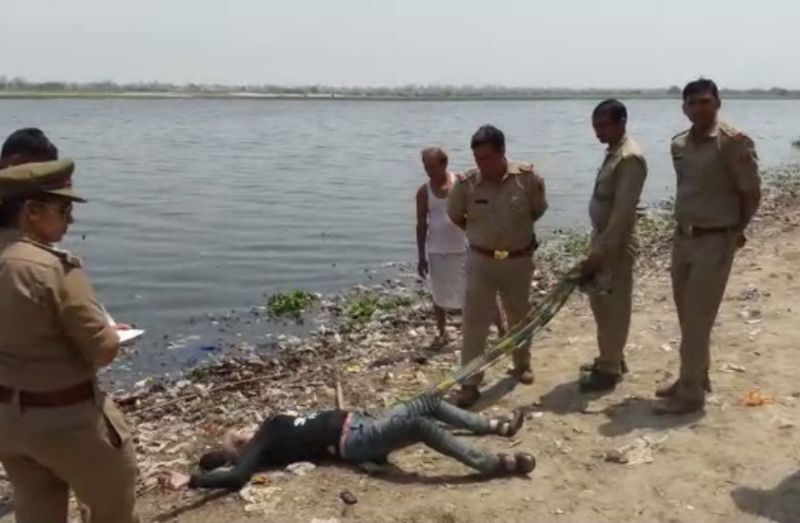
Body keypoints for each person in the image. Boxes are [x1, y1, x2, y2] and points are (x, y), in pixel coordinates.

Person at [0, 159, 139, 523]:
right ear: (32, 211)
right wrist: (111, 333)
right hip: (68, 419)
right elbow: (102, 350)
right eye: (63, 210)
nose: (70, 220)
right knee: (113, 507)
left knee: (35, 508)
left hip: (8, 417)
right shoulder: (52, 267)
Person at [163, 393, 535, 491]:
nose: (239, 434)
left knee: (429, 402)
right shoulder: (258, 448)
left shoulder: (269, 427)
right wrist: (191, 480)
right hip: (355, 441)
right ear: (234, 450)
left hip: (363, 422)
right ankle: (491, 464)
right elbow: (236, 477)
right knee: (422, 424)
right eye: (233, 441)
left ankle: (494, 426)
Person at [655, 78, 761, 414]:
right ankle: (696, 376)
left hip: (716, 239)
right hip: (684, 237)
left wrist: (736, 230)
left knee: (699, 316)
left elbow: (751, 193)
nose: (699, 108)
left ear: (717, 103)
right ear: (683, 108)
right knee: (687, 313)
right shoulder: (680, 144)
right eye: (693, 103)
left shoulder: (733, 142)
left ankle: (690, 394)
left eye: (705, 102)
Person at [447, 125, 548, 407]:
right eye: (477, 158)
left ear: (502, 152)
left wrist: (513, 235)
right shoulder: (466, 184)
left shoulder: (527, 179)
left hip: (517, 260)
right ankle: (469, 383)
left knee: (519, 316)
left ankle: (522, 364)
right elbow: (455, 215)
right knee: (474, 323)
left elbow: (537, 210)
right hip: (481, 261)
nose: (481, 164)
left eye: (486, 158)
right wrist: (481, 237)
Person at [578, 100, 648, 392]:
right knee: (601, 305)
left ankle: (609, 369)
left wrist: (600, 253)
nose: (598, 132)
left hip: (615, 245)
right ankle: (612, 357)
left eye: (604, 126)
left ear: (622, 122)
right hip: (602, 240)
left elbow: (622, 214)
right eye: (595, 127)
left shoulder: (629, 158)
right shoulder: (613, 153)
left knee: (614, 308)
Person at [415, 146, 506, 346]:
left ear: (444, 164)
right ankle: (442, 332)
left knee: (484, 289)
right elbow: (421, 225)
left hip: (467, 248)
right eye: (426, 167)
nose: (429, 171)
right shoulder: (424, 192)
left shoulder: (461, 184)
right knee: (439, 293)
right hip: (438, 250)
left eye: (432, 167)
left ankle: (502, 329)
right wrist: (421, 256)